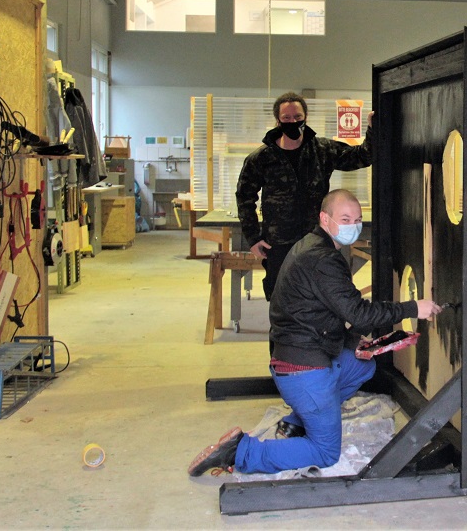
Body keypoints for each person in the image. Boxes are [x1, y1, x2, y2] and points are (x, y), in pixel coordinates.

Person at [189, 189, 443, 476]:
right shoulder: (323, 259)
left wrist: (353, 341)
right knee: (325, 452)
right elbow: (358, 312)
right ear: (325, 218)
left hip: (302, 355)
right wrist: (413, 308)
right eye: (345, 218)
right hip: (302, 370)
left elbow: (320, 313)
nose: (353, 225)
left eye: (357, 219)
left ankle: (297, 421)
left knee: (362, 366)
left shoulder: (313, 246)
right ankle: (241, 451)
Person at [235, 91, 374, 301]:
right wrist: (253, 238)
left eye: (298, 118)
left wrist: (373, 129)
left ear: (305, 117)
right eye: (287, 118)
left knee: (320, 294)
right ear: (278, 121)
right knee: (281, 297)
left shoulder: (322, 150)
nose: (293, 122)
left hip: (316, 239)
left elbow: (362, 157)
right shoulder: (261, 158)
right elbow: (244, 198)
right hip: (279, 242)